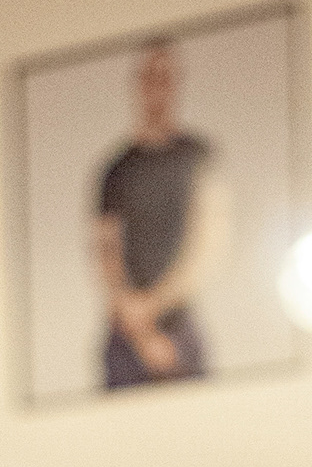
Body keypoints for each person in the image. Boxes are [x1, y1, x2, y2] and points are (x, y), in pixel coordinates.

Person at [92, 39, 228, 388]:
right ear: (138, 84)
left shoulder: (197, 155)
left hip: (178, 323)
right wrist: (138, 327)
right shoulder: (116, 168)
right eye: (149, 77)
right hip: (124, 333)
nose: (157, 87)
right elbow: (105, 249)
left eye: (165, 77)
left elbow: (208, 241)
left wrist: (154, 306)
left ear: (177, 83)